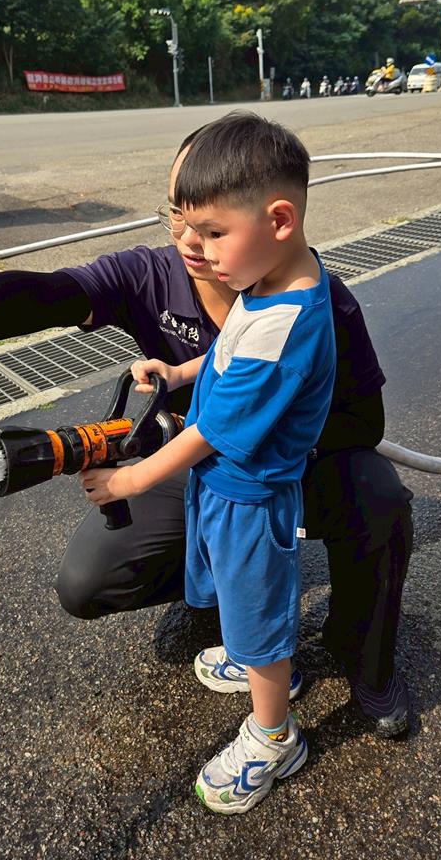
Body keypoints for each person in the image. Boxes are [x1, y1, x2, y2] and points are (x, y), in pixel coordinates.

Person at [0, 117, 413, 743]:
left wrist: (215, 455)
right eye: (177, 212)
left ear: (268, 219)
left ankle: (362, 652)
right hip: (196, 467)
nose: (188, 239)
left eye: (210, 225)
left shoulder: (312, 301)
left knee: (378, 499)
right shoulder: (149, 277)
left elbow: (364, 423)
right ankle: (230, 602)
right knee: (89, 582)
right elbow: (33, 296)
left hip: (285, 467)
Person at [80, 112, 336, 812]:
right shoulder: (271, 281)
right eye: (186, 229)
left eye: (214, 233)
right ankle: (256, 658)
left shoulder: (285, 323)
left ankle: (274, 733)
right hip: (227, 489)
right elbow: (228, 349)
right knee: (239, 594)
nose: (198, 249)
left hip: (250, 497)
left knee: (257, 606)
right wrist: (180, 369)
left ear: (279, 219)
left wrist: (130, 479)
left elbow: (215, 431)